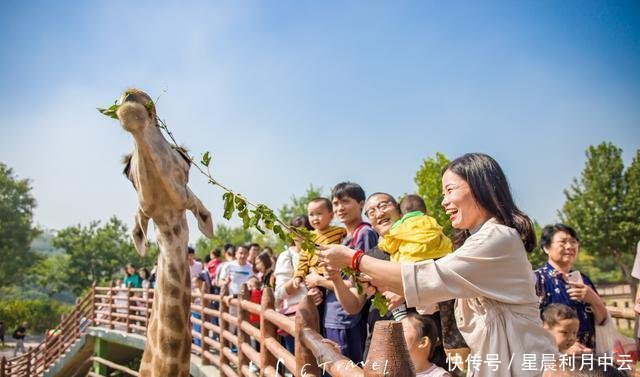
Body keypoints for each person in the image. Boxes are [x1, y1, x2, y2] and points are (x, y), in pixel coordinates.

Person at [318, 153, 558, 377]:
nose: (444, 202)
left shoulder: (497, 239)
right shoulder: (474, 241)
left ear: (480, 187)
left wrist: (354, 259)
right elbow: (429, 293)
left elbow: (429, 276)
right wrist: (377, 279)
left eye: (449, 190)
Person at [535, 223, 607, 352]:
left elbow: (602, 320)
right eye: (562, 242)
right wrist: (564, 346)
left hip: (587, 358)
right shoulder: (537, 279)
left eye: (573, 242)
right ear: (546, 247)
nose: (570, 246)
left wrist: (593, 298)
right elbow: (529, 324)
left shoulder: (584, 280)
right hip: (553, 361)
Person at [273, 215, 324, 354]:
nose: (301, 237)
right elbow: (279, 293)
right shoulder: (287, 256)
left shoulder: (320, 251)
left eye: (306, 232)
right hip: (297, 315)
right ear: (291, 235)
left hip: (322, 315)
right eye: (297, 233)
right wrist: (299, 278)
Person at [377, 194, 452, 263]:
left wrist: (382, 242)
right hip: (438, 256)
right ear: (426, 211)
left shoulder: (399, 226)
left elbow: (390, 246)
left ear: (401, 214)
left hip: (412, 260)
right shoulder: (431, 220)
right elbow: (440, 235)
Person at [292, 197, 347, 289]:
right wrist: (298, 276)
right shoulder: (308, 237)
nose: (315, 218)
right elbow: (303, 259)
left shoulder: (340, 231)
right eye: (311, 214)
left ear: (331, 215)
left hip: (334, 275)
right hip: (315, 279)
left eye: (319, 213)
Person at [403, 313, 451, 377]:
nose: (394, 334)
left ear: (423, 342)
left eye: (401, 330)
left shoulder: (439, 375)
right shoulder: (392, 371)